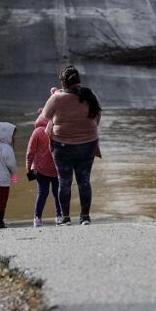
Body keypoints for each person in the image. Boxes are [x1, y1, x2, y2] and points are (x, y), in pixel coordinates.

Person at [41, 66, 101, 226]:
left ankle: (65, 219)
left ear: (63, 82)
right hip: (88, 144)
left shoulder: (56, 98)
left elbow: (46, 116)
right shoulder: (90, 94)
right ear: (78, 80)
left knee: (64, 181)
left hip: (62, 146)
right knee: (84, 181)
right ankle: (85, 217)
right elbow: (98, 115)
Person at [27, 112, 63, 228]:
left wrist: (29, 168)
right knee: (58, 193)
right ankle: (59, 217)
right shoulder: (58, 130)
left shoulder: (37, 132)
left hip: (40, 169)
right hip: (57, 168)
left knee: (42, 192)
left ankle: (37, 219)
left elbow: (30, 153)